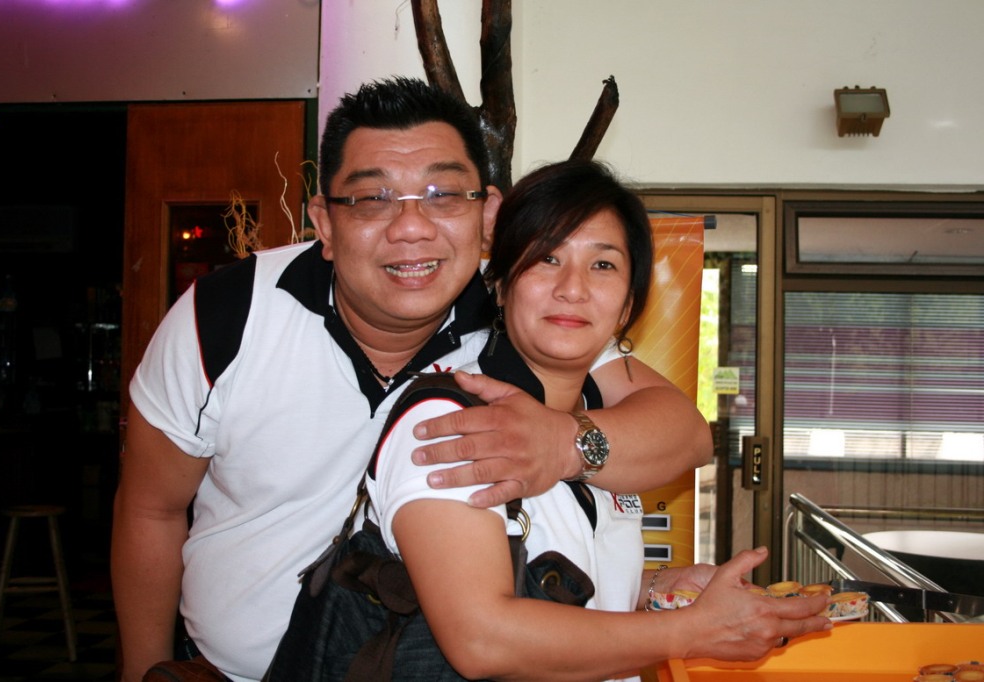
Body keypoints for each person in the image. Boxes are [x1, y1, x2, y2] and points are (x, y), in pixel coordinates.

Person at [111, 77, 713, 682]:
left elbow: (683, 431)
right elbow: (151, 511)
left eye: (442, 195)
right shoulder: (228, 315)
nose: (411, 228)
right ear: (324, 222)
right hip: (229, 672)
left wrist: (562, 444)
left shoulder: (523, 310)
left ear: (487, 215)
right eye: (373, 199)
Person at [275, 159, 831, 681]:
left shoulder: (599, 432)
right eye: (547, 258)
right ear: (500, 283)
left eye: (603, 264)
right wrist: (692, 631)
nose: (573, 288)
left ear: (627, 305)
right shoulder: (453, 419)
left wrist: (659, 588)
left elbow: (551, 582)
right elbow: (481, 637)